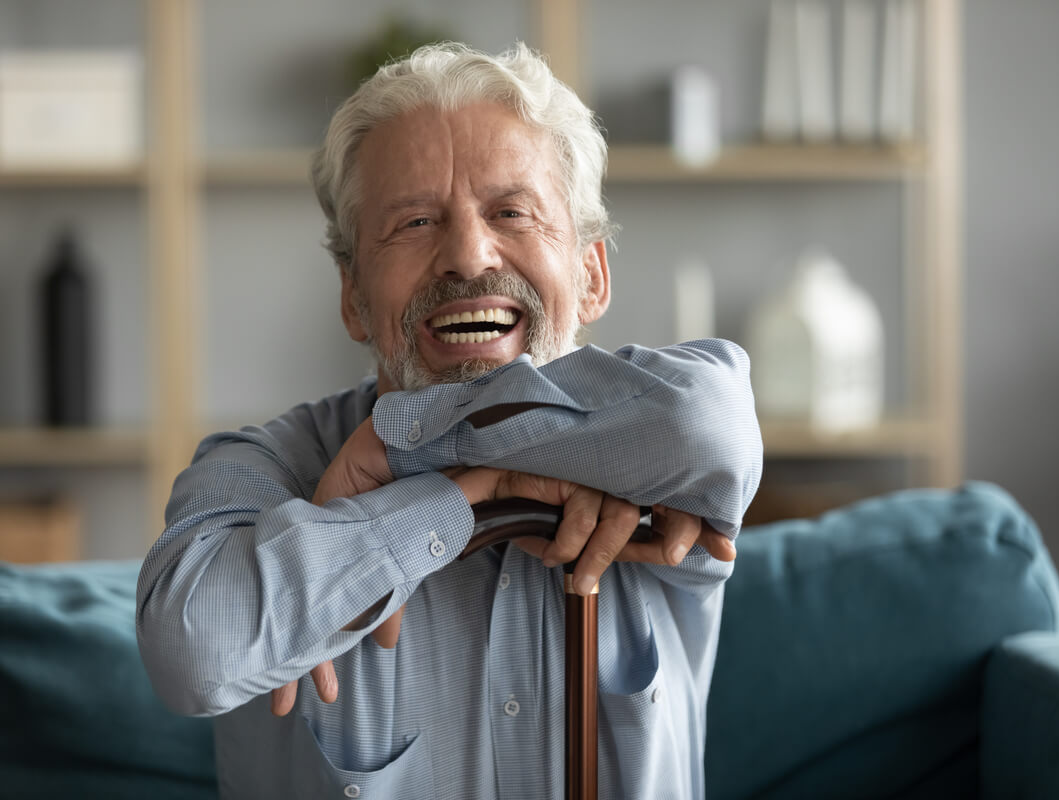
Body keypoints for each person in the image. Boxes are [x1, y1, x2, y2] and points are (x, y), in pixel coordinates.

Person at [137, 42, 762, 799]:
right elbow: (195, 650)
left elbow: (710, 425)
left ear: (591, 274)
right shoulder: (261, 470)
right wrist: (466, 492)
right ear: (351, 293)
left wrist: (407, 449)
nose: (467, 257)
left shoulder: (662, 441)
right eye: (414, 223)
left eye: (511, 212)